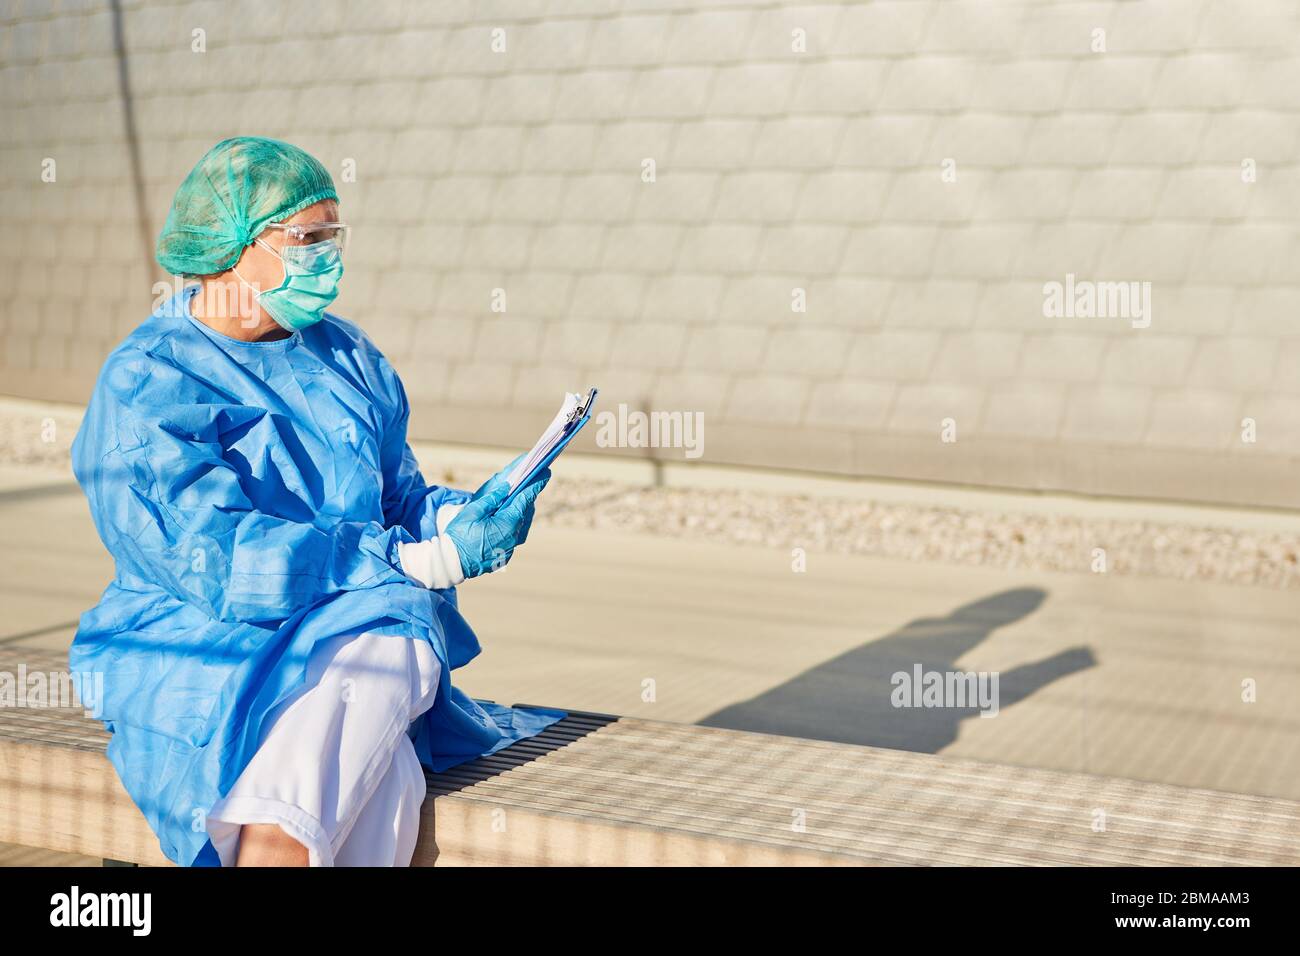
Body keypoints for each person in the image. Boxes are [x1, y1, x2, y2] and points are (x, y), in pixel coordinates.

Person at [69, 136, 562, 867]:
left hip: (347, 629)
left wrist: (457, 520)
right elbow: (212, 556)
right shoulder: (150, 379)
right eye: (308, 238)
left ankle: (277, 844)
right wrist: (407, 561)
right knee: (400, 635)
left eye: (334, 236)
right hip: (202, 640)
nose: (327, 256)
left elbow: (395, 500)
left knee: (388, 732)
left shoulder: (347, 357)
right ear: (233, 246)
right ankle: (275, 843)